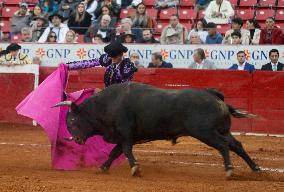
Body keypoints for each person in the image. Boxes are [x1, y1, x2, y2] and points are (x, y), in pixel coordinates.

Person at [67, 41, 137, 87]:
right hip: (107, 93)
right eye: (111, 57)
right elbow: (89, 63)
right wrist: (69, 66)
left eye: (115, 57)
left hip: (120, 97)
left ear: (121, 55)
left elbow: (124, 87)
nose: (112, 60)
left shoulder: (127, 67)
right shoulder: (108, 58)